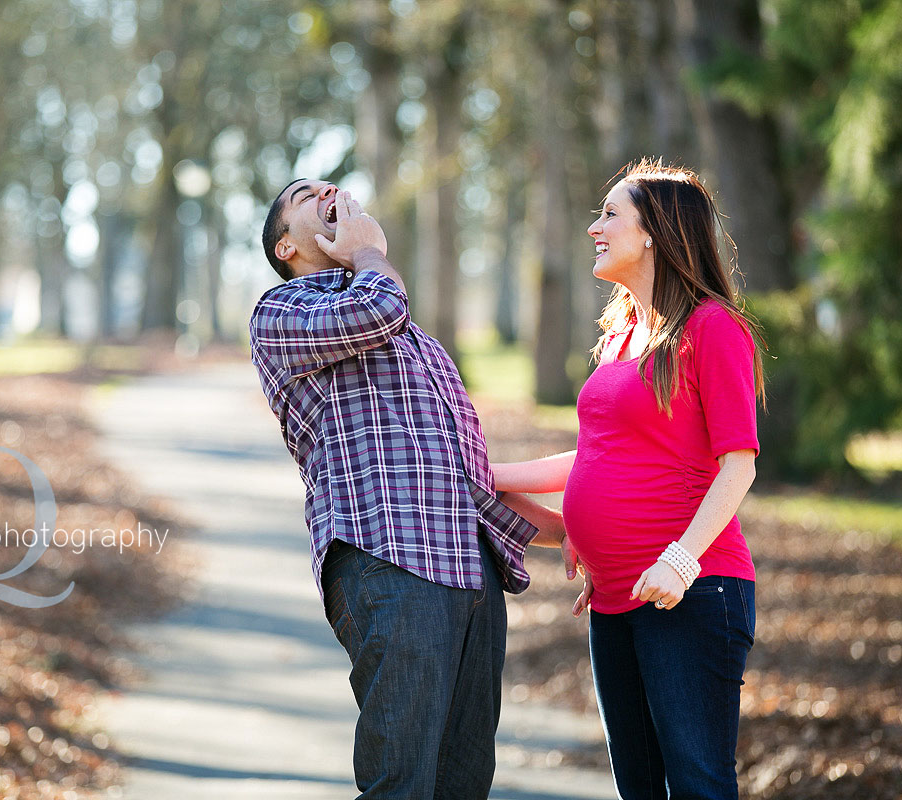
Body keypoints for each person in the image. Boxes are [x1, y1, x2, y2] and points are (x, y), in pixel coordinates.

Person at [249, 179, 571, 799]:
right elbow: (378, 310)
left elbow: (461, 467)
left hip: (471, 575)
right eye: (304, 193)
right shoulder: (281, 314)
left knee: (462, 784)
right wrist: (369, 250)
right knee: (402, 784)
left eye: (330, 183)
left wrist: (561, 531)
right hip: (386, 565)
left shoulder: (410, 337)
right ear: (286, 245)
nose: (328, 188)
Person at [494, 159, 765, 800]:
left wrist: (681, 561)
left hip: (690, 594)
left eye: (611, 213)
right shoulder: (620, 333)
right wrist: (482, 472)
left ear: (655, 233)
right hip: (615, 597)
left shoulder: (712, 329)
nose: (595, 226)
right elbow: (595, 458)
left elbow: (739, 464)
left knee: (698, 785)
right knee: (637, 788)